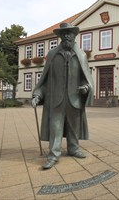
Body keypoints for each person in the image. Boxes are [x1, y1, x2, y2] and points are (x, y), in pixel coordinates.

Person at [31, 23, 94, 170]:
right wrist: (37, 95)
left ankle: (74, 149)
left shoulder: (81, 56)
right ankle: (53, 155)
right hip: (56, 99)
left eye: (69, 33)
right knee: (56, 128)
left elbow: (86, 78)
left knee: (74, 127)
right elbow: (45, 81)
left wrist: (86, 87)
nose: (66, 35)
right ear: (60, 36)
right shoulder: (52, 55)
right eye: (63, 33)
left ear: (74, 36)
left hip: (75, 98)